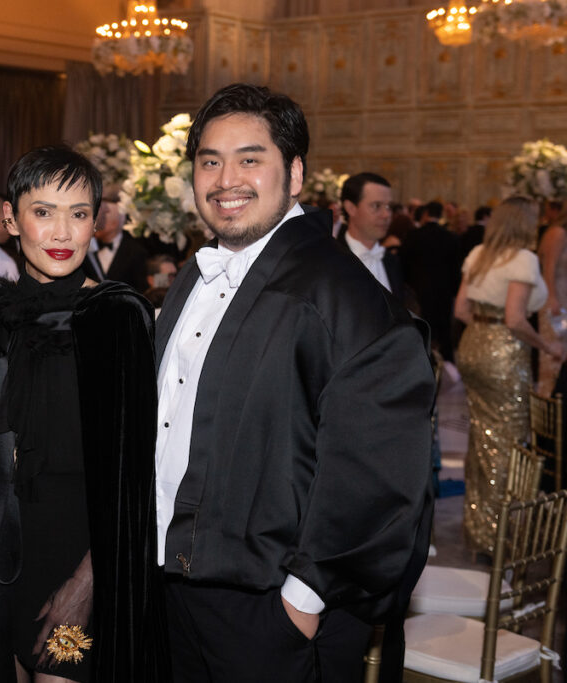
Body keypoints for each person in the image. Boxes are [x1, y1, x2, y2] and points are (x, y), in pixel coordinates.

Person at [155, 83, 434, 682]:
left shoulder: (346, 296)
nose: (226, 178)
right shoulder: (192, 280)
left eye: (250, 159)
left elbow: (381, 474)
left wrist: (302, 602)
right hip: (176, 590)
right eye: (210, 160)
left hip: (268, 612)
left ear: (296, 173)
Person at [0, 145, 169, 682]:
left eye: (78, 214)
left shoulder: (119, 318)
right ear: (10, 219)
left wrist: (89, 584)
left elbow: (141, 476)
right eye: (43, 212)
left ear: (97, 221)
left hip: (80, 558)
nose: (61, 232)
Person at [455, 197, 565, 552]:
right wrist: (546, 347)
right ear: (524, 223)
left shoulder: (479, 254)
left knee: (481, 435)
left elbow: (460, 309)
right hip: (503, 351)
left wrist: (485, 336)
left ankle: (477, 528)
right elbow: (516, 319)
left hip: (472, 344)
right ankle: (495, 537)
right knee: (508, 442)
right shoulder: (523, 259)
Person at [401, 200, 461, 361]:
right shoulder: (451, 238)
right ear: (440, 215)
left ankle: (418, 364)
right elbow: (456, 269)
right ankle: (448, 368)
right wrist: (454, 291)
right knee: (444, 332)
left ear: (426, 214)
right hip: (443, 293)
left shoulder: (414, 235)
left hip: (418, 292)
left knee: (419, 330)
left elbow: (403, 264)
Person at [336, 172, 406, 302]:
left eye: (388, 206)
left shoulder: (392, 262)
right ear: (351, 208)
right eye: (376, 206)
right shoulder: (330, 261)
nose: (386, 215)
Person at [537, 204, 567, 396]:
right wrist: (552, 298)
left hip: (564, 296)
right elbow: (548, 268)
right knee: (553, 355)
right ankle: (550, 403)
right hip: (556, 299)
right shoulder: (557, 232)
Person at [93, 198, 148, 292]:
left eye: (102, 219)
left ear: (113, 224)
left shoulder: (136, 252)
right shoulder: (88, 247)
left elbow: (140, 289)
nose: (95, 224)